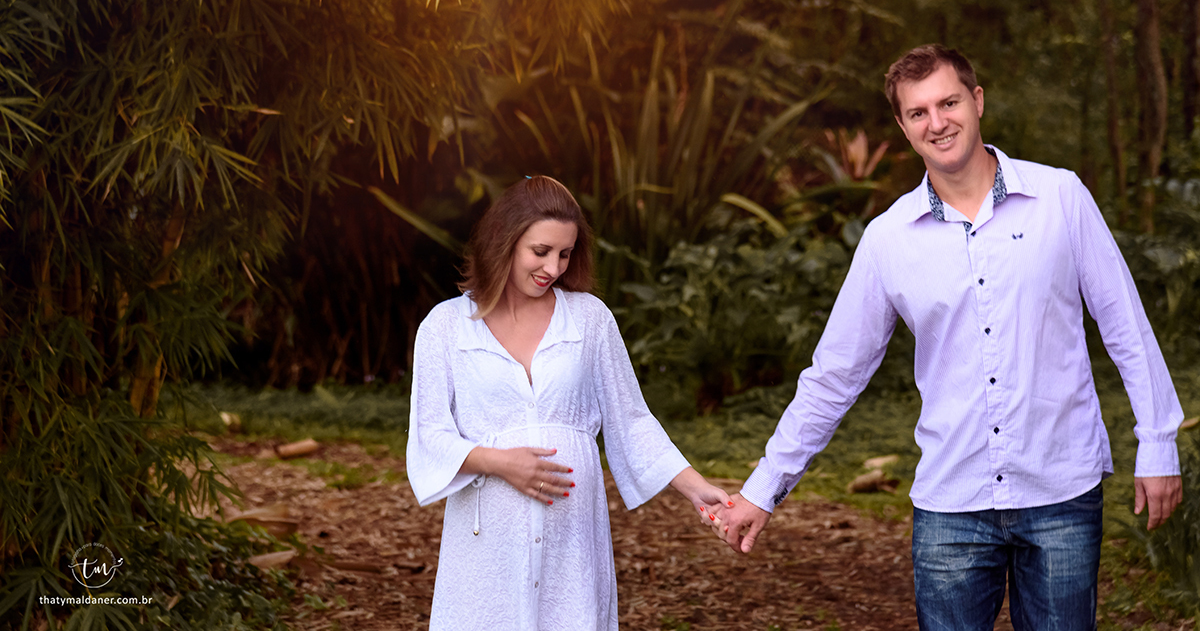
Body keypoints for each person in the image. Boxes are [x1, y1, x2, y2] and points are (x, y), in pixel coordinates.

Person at [713, 45, 1185, 630]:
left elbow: (1126, 327)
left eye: (948, 102)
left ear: (977, 100)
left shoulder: (1061, 198)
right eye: (918, 112)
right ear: (903, 126)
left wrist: (1158, 441)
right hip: (951, 505)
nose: (937, 122)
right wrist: (764, 488)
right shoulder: (888, 239)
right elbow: (834, 376)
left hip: (1061, 489)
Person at [406, 175, 731, 631]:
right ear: (504, 241)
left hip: (573, 538)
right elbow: (430, 435)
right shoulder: (445, 327)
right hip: (488, 544)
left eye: (565, 253)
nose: (554, 267)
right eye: (540, 252)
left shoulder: (590, 318)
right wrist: (499, 462)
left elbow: (631, 420)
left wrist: (697, 487)